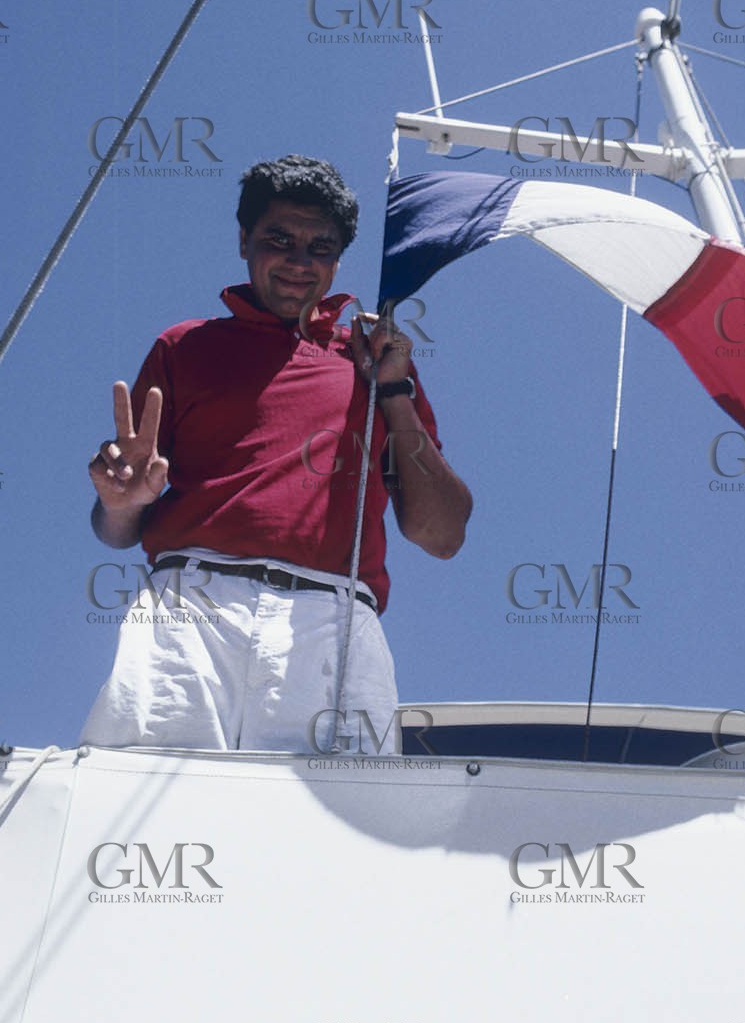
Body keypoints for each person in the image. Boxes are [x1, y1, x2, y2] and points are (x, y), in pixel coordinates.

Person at [80, 154, 472, 757]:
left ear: (339, 259)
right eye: (279, 240)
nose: (299, 262)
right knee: (141, 809)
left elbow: (440, 534)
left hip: (334, 618)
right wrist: (121, 502)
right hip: (189, 610)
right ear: (244, 240)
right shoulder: (185, 347)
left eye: (321, 247)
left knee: (339, 831)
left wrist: (393, 389)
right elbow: (117, 532)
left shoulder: (375, 364)